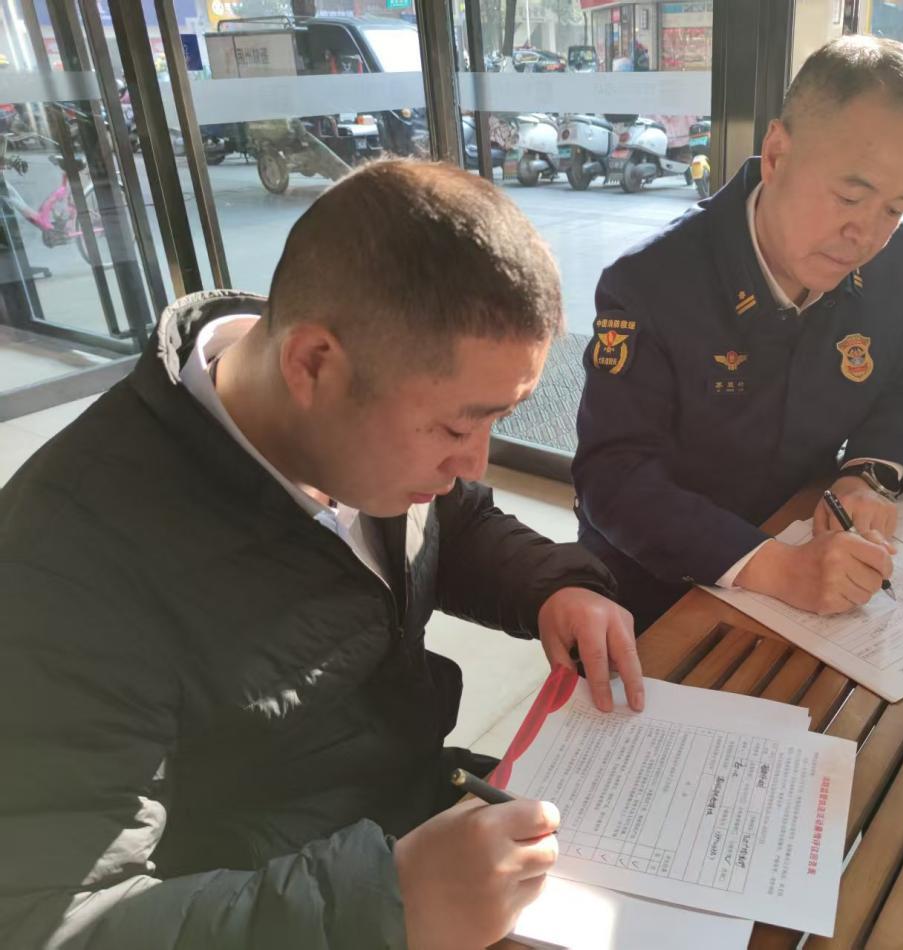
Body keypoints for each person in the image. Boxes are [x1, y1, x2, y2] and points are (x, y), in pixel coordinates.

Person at [0, 159, 644, 949]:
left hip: (407, 802)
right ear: (312, 364)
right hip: (269, 898)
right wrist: (383, 906)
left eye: (495, 421)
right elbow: (52, 920)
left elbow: (450, 521)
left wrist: (553, 586)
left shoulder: (360, 420)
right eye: (454, 427)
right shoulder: (62, 567)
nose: (474, 462)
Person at [573, 36, 903, 631]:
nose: (866, 235)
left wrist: (865, 478)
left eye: (895, 208)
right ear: (775, 155)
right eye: (850, 196)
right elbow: (614, 479)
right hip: (659, 590)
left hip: (808, 552)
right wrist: (779, 569)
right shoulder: (651, 285)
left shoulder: (890, 263)